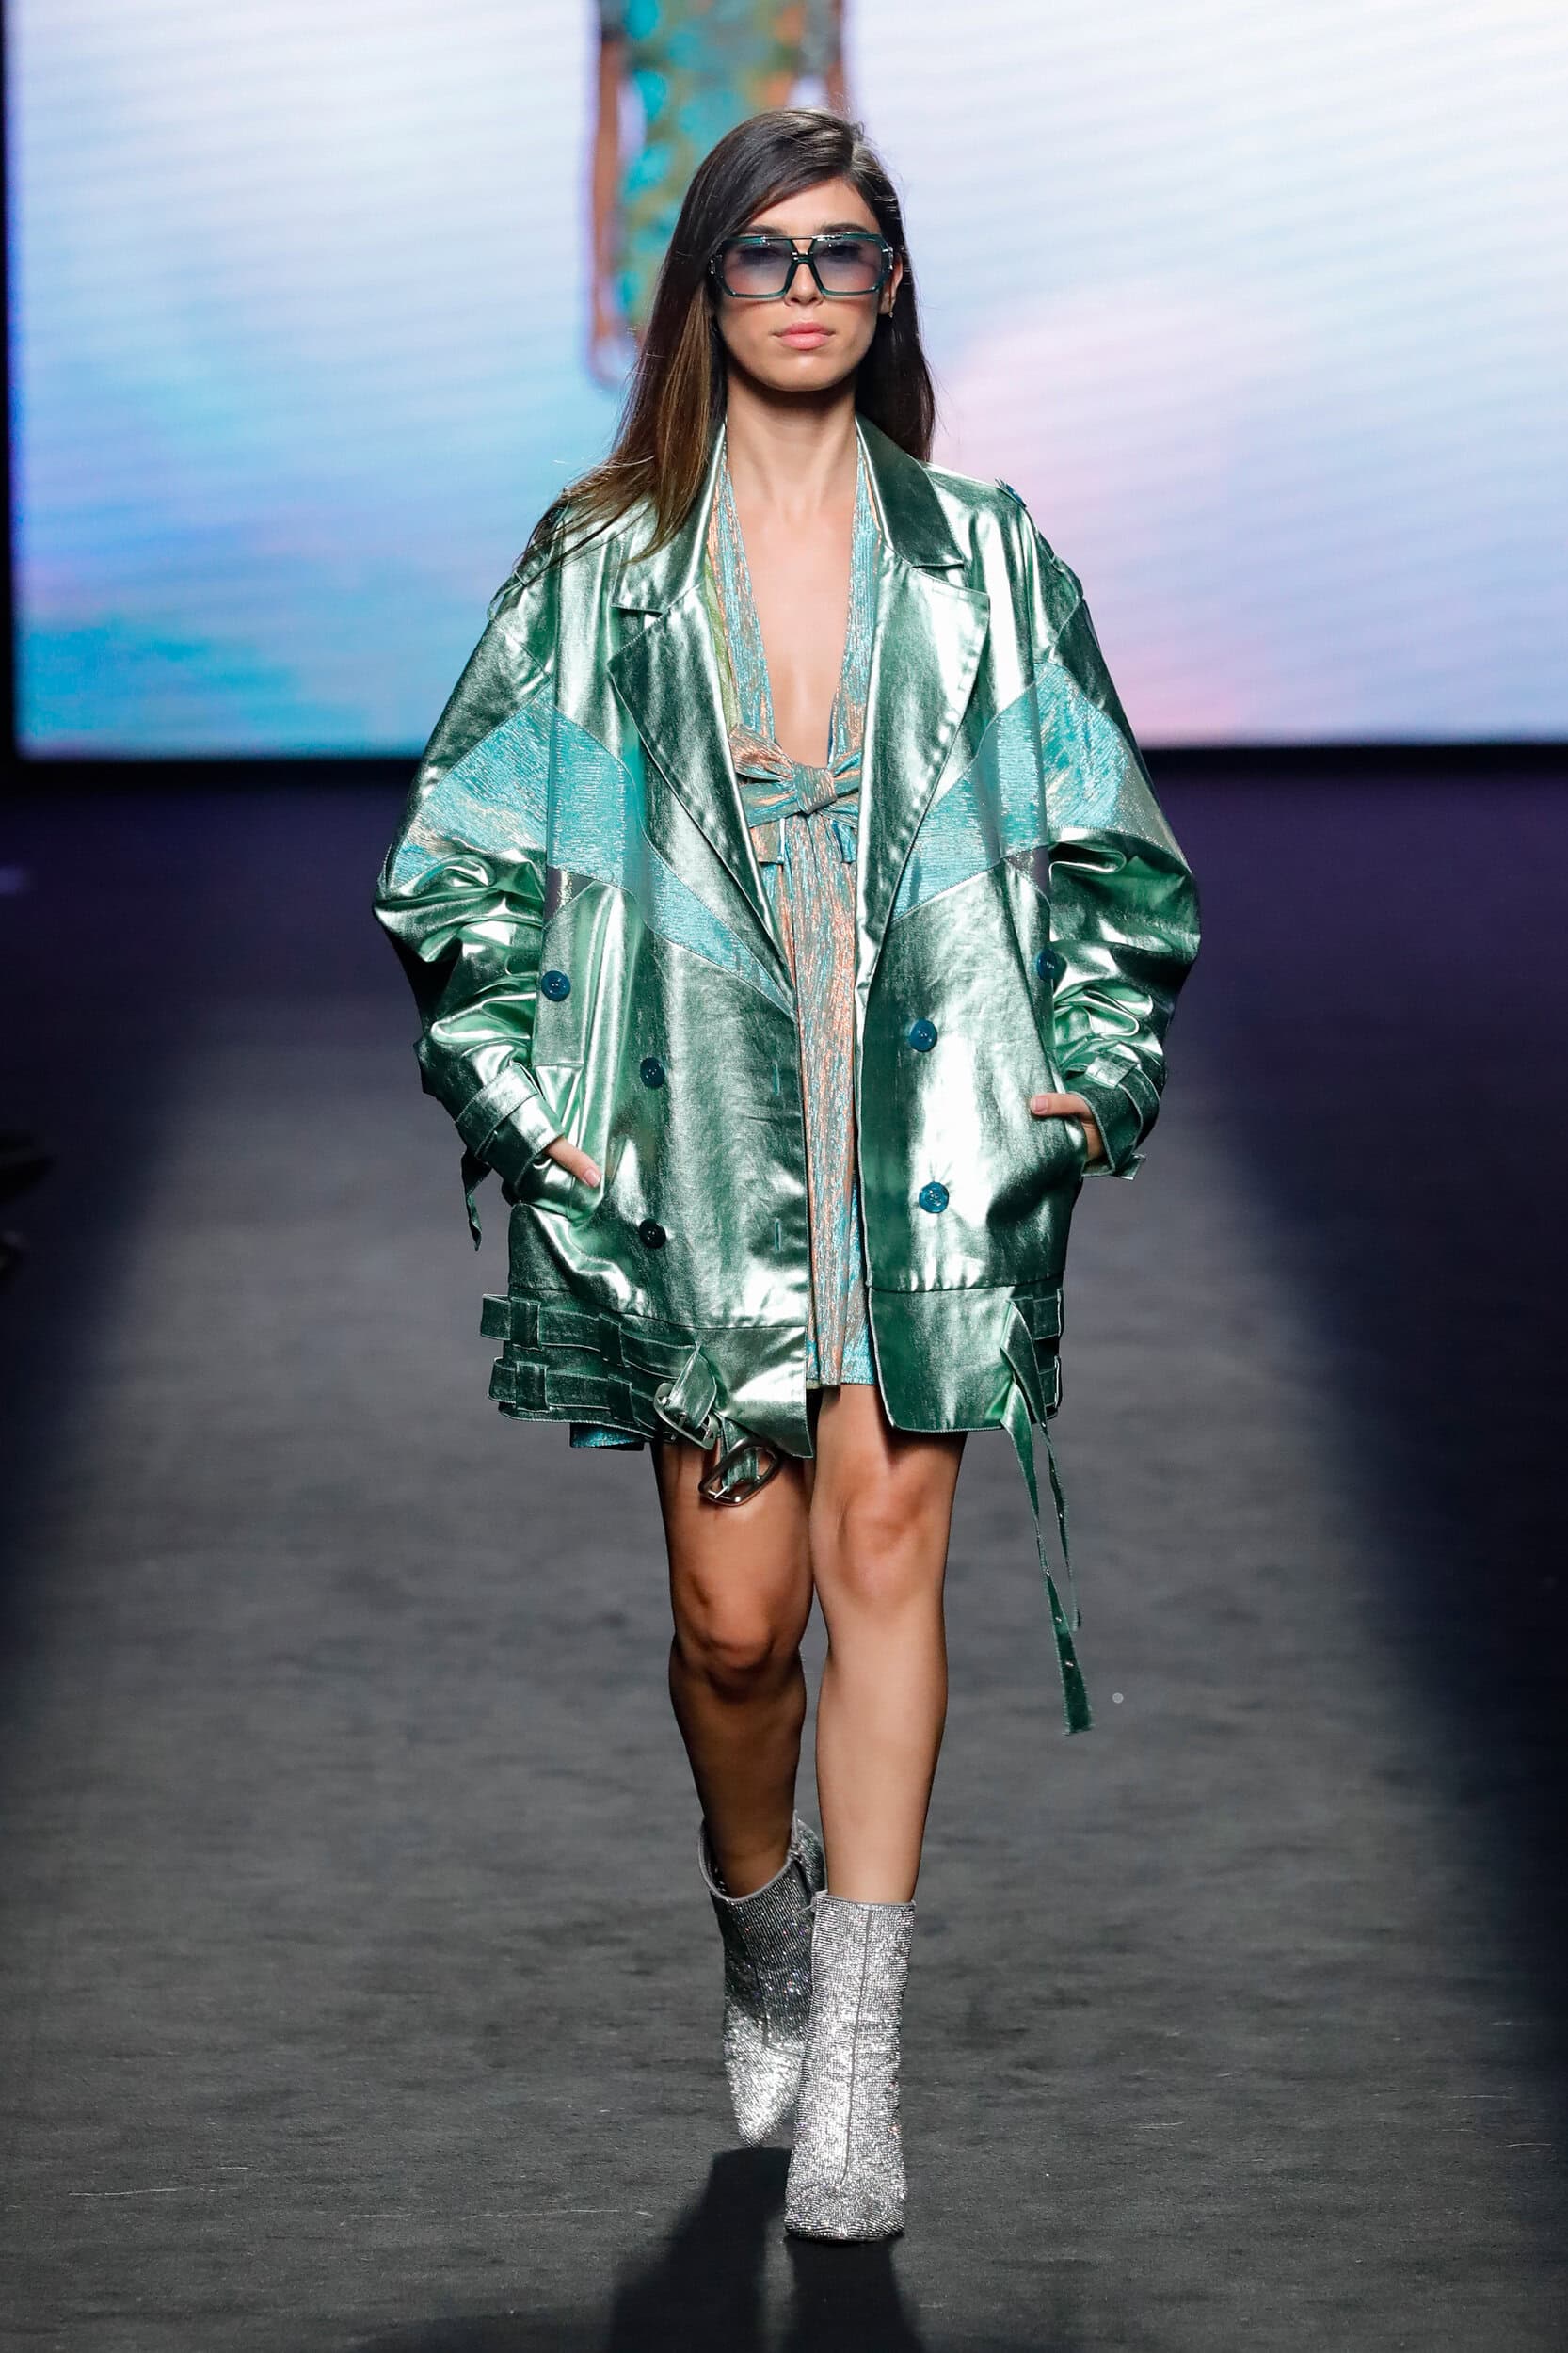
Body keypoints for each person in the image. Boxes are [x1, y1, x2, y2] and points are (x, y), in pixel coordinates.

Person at [374, 107, 1200, 2242]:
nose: (807, 288)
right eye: (768, 254)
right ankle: (762, 1932)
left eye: (842, 253)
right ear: (708, 290)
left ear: (890, 285)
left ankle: (856, 2070)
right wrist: (522, 1098)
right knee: (736, 1629)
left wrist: (1089, 1078)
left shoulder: (985, 560)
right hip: (698, 1123)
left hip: (931, 1118)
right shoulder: (608, 570)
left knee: (890, 1551)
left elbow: (1113, 850)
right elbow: (462, 863)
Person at [589, 0, 849, 376]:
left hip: (764, 225)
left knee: (764, 401)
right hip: (658, 235)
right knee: (679, 402)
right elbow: (607, 134)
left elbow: (842, 128)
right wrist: (598, 290)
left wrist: (848, 259)